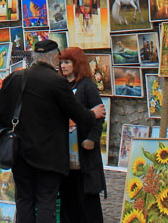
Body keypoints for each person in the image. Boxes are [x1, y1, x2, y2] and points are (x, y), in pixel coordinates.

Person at [0, 40, 94, 223]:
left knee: (24, 200)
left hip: (20, 152)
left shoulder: (15, 78)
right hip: (48, 154)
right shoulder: (56, 82)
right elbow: (78, 114)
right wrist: (92, 114)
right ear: (55, 57)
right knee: (46, 200)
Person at [58, 47, 107, 223]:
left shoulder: (87, 86)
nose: (63, 66)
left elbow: (100, 116)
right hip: (66, 152)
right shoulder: (61, 86)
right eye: (61, 62)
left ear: (76, 64)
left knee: (87, 197)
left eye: (67, 62)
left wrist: (92, 139)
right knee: (68, 197)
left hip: (84, 152)